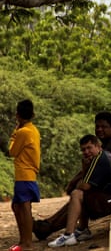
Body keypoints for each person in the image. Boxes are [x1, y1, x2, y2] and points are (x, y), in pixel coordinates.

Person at [33, 111, 111, 241]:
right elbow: (89, 171)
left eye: (103, 127)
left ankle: (50, 228)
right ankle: (49, 225)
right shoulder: (106, 143)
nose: (99, 129)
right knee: (79, 195)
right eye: (97, 126)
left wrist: (74, 183)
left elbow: (88, 177)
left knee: (80, 195)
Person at [47, 134, 111, 248]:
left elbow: (84, 186)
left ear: (98, 147)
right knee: (83, 195)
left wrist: (83, 172)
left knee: (77, 194)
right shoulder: (102, 156)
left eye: (89, 148)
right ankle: (82, 229)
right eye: (83, 149)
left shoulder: (100, 159)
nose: (86, 152)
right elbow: (87, 185)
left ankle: (69, 235)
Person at [8, 99, 41, 251]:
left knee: (24, 206)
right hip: (29, 173)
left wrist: (15, 131)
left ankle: (27, 242)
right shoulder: (34, 129)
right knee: (16, 206)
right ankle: (23, 240)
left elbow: (12, 151)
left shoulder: (23, 132)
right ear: (33, 114)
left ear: (18, 116)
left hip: (24, 173)